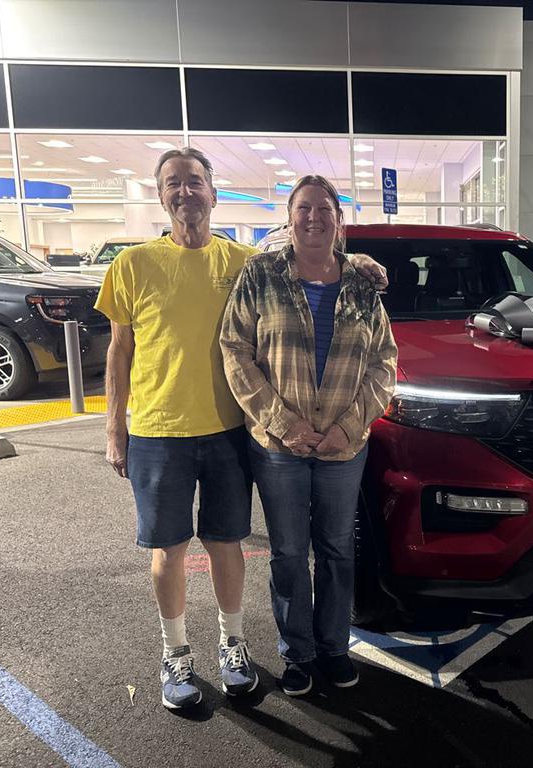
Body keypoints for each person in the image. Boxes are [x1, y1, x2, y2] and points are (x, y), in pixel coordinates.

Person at [95, 150, 387, 710]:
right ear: (160, 194)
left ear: (212, 192)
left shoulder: (243, 261)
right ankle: (176, 654)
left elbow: (312, 251)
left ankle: (234, 646)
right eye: (174, 183)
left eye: (195, 182)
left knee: (227, 544)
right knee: (170, 550)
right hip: (160, 430)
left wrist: (358, 258)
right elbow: (120, 350)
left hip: (229, 430)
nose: (186, 192)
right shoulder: (133, 264)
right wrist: (115, 428)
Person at [220, 174, 398, 697]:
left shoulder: (361, 283)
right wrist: (283, 423)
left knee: (338, 550)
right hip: (279, 447)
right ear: (289, 217)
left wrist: (349, 426)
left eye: (325, 209)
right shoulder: (261, 275)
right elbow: (235, 350)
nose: (314, 217)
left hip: (345, 447)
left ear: (338, 220)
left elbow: (384, 361)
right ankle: (298, 654)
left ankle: (334, 648)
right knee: (290, 552)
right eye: (304, 208)